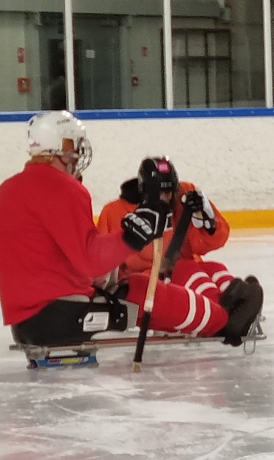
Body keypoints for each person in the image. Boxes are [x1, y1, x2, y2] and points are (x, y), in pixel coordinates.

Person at [0, 111, 260, 348]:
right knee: (137, 289)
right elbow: (92, 261)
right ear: (60, 148)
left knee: (136, 285)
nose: (77, 155)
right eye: (73, 147)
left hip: (25, 322)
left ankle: (218, 305)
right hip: (60, 315)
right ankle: (223, 321)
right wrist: (131, 236)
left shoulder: (7, 190)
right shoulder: (64, 189)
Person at [96, 157, 263, 337]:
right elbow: (103, 262)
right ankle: (224, 314)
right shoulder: (114, 211)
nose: (167, 198)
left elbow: (215, 241)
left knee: (215, 267)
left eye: (170, 192)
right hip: (151, 277)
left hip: (181, 267)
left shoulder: (186, 194)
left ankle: (240, 303)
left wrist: (207, 220)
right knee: (187, 269)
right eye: (162, 193)